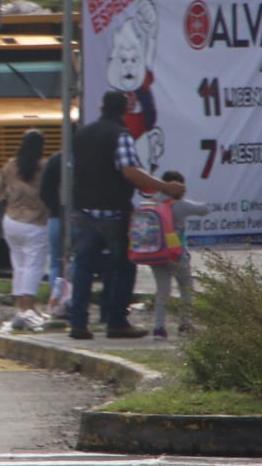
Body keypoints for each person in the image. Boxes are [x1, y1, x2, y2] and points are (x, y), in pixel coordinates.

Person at [68, 89, 186, 340]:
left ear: (101, 108)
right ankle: (116, 321)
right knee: (122, 267)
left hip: (83, 211)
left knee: (83, 267)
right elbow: (129, 171)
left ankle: (78, 323)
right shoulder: (121, 135)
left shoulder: (81, 134)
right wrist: (166, 187)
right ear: (124, 112)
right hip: (113, 213)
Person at [0, 129, 50, 332]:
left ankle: (20, 308)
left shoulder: (11, 165)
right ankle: (29, 309)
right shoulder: (43, 167)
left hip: (11, 220)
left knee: (18, 265)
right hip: (35, 220)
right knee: (34, 265)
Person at [147, 169, 211, 339]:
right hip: (176, 255)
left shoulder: (152, 203)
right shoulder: (180, 205)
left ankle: (159, 329)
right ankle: (184, 325)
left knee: (162, 292)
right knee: (186, 288)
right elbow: (204, 210)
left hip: (156, 255)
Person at [38, 148, 66, 316]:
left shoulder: (56, 159)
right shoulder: (85, 157)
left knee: (56, 262)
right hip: (79, 216)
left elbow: (44, 191)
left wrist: (55, 209)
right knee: (76, 262)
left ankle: (56, 302)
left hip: (56, 217)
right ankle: (70, 301)